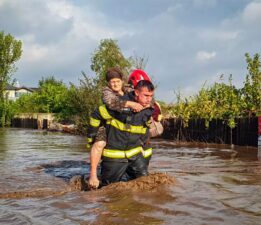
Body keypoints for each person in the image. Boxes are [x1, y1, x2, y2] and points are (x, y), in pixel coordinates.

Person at [87, 80, 155, 186]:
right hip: (115, 156)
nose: (149, 99)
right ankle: (92, 178)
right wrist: (92, 137)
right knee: (108, 191)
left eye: (151, 96)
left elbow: (144, 129)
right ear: (136, 92)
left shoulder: (148, 109)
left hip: (134, 155)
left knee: (146, 185)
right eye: (146, 95)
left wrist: (143, 145)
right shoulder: (119, 104)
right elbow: (96, 114)